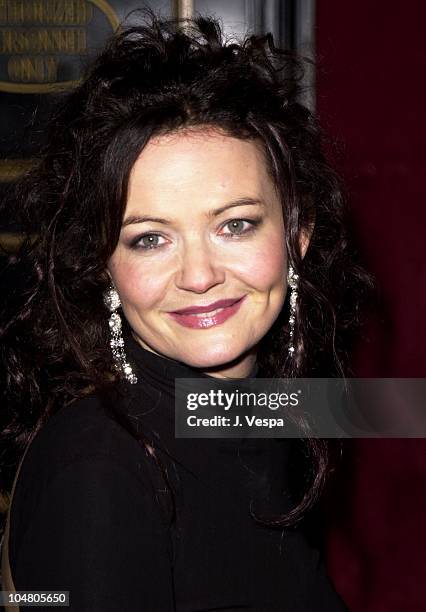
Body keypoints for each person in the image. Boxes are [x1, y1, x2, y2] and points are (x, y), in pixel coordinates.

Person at [0, 9, 371, 611]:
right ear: (101, 266)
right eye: (150, 238)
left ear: (297, 237)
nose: (200, 277)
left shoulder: (240, 409)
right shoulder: (98, 468)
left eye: (235, 225)